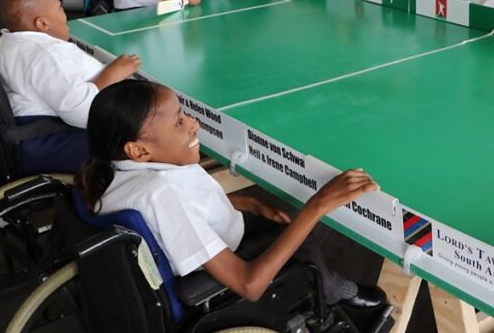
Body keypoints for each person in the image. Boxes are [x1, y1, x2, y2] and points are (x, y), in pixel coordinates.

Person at [74, 79, 387, 309]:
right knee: (301, 243)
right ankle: (335, 291)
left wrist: (245, 202)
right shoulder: (158, 193)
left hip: (217, 237)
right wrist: (318, 205)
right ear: (140, 151)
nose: (193, 124)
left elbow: (182, 214)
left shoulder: (111, 173)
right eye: (179, 122)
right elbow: (248, 285)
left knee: (285, 227)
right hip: (225, 272)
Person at [0, 0, 140, 174]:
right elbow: (82, 114)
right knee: (137, 144)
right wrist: (114, 73)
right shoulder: (48, 54)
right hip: (52, 141)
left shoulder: (5, 43)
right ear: (43, 24)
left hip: (26, 136)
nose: (64, 14)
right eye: (60, 8)